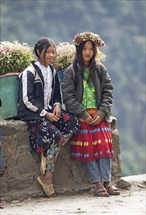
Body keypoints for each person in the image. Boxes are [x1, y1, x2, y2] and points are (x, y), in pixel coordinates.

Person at [17, 37, 80, 197]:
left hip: (50, 112)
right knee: (57, 138)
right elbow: (26, 99)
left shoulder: (52, 71)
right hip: (34, 115)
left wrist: (57, 104)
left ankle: (49, 152)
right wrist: (46, 114)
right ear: (39, 52)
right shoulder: (29, 73)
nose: (52, 55)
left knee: (73, 122)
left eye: (54, 52)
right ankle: (47, 177)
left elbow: (56, 93)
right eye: (49, 52)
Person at [62, 32, 120, 197]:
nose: (87, 52)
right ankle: (98, 183)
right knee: (90, 147)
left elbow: (108, 92)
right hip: (82, 117)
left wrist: (102, 112)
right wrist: (83, 113)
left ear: (95, 51)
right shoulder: (71, 71)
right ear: (79, 50)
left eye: (90, 49)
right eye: (84, 49)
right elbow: (68, 97)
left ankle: (108, 182)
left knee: (104, 144)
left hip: (99, 116)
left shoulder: (100, 69)